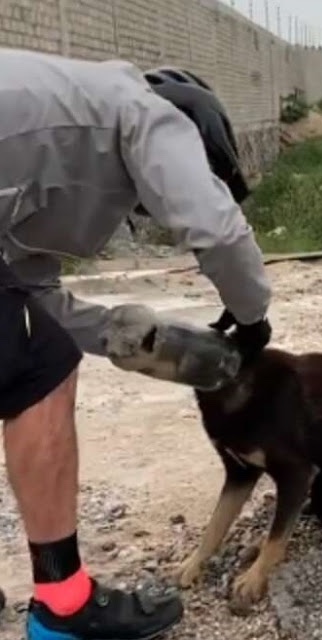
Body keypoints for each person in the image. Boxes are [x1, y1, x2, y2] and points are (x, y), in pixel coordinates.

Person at [0, 48, 272, 640]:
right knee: (40, 366)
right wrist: (252, 317)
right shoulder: (145, 111)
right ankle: (64, 609)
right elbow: (217, 228)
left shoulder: (56, 122)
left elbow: (26, 291)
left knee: (19, 348)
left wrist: (121, 334)